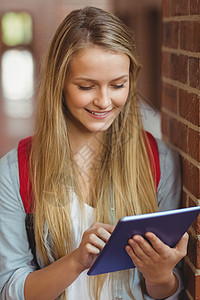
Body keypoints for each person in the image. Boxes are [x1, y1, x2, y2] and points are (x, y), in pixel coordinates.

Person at [0, 6, 188, 300]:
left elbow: (169, 290)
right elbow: (10, 289)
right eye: (86, 86)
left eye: (118, 85)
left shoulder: (159, 161)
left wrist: (160, 275)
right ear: (59, 82)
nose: (103, 101)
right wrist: (75, 261)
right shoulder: (15, 170)